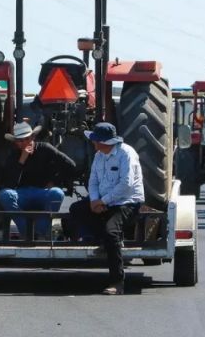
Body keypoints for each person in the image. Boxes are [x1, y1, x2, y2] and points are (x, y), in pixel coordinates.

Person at [69, 122, 144, 295]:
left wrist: (104, 201)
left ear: (106, 142)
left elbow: (126, 185)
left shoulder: (127, 154)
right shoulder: (99, 156)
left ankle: (117, 282)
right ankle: (100, 237)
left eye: (96, 140)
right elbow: (93, 180)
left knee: (112, 233)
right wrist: (94, 200)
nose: (93, 143)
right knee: (76, 210)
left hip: (125, 203)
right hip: (103, 201)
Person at [0, 122, 77, 239]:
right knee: (4, 195)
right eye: (19, 141)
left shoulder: (45, 148)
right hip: (22, 193)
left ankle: (40, 231)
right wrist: (21, 160)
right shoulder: (14, 155)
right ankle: (27, 231)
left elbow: (70, 165)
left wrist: (55, 181)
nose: (22, 143)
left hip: (43, 192)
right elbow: (9, 183)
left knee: (57, 193)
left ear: (32, 137)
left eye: (25, 139)